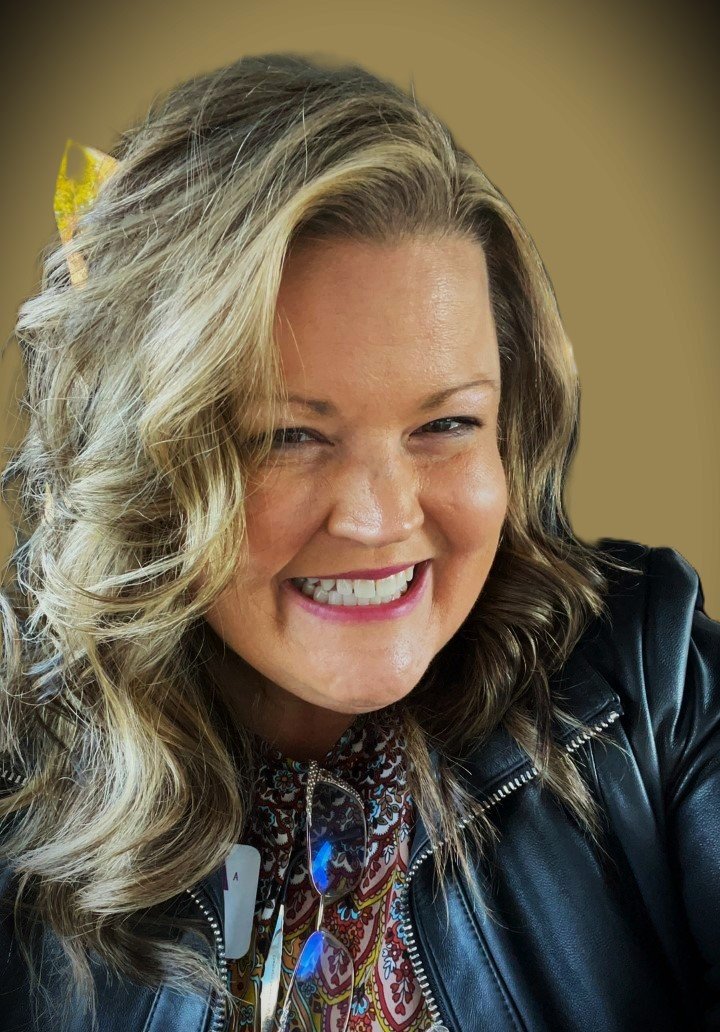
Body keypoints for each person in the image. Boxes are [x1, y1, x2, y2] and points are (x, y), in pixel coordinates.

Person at [0, 52, 717, 1032]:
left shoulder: (652, 684)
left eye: (448, 425)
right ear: (150, 462)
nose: (380, 522)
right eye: (288, 435)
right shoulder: (20, 784)